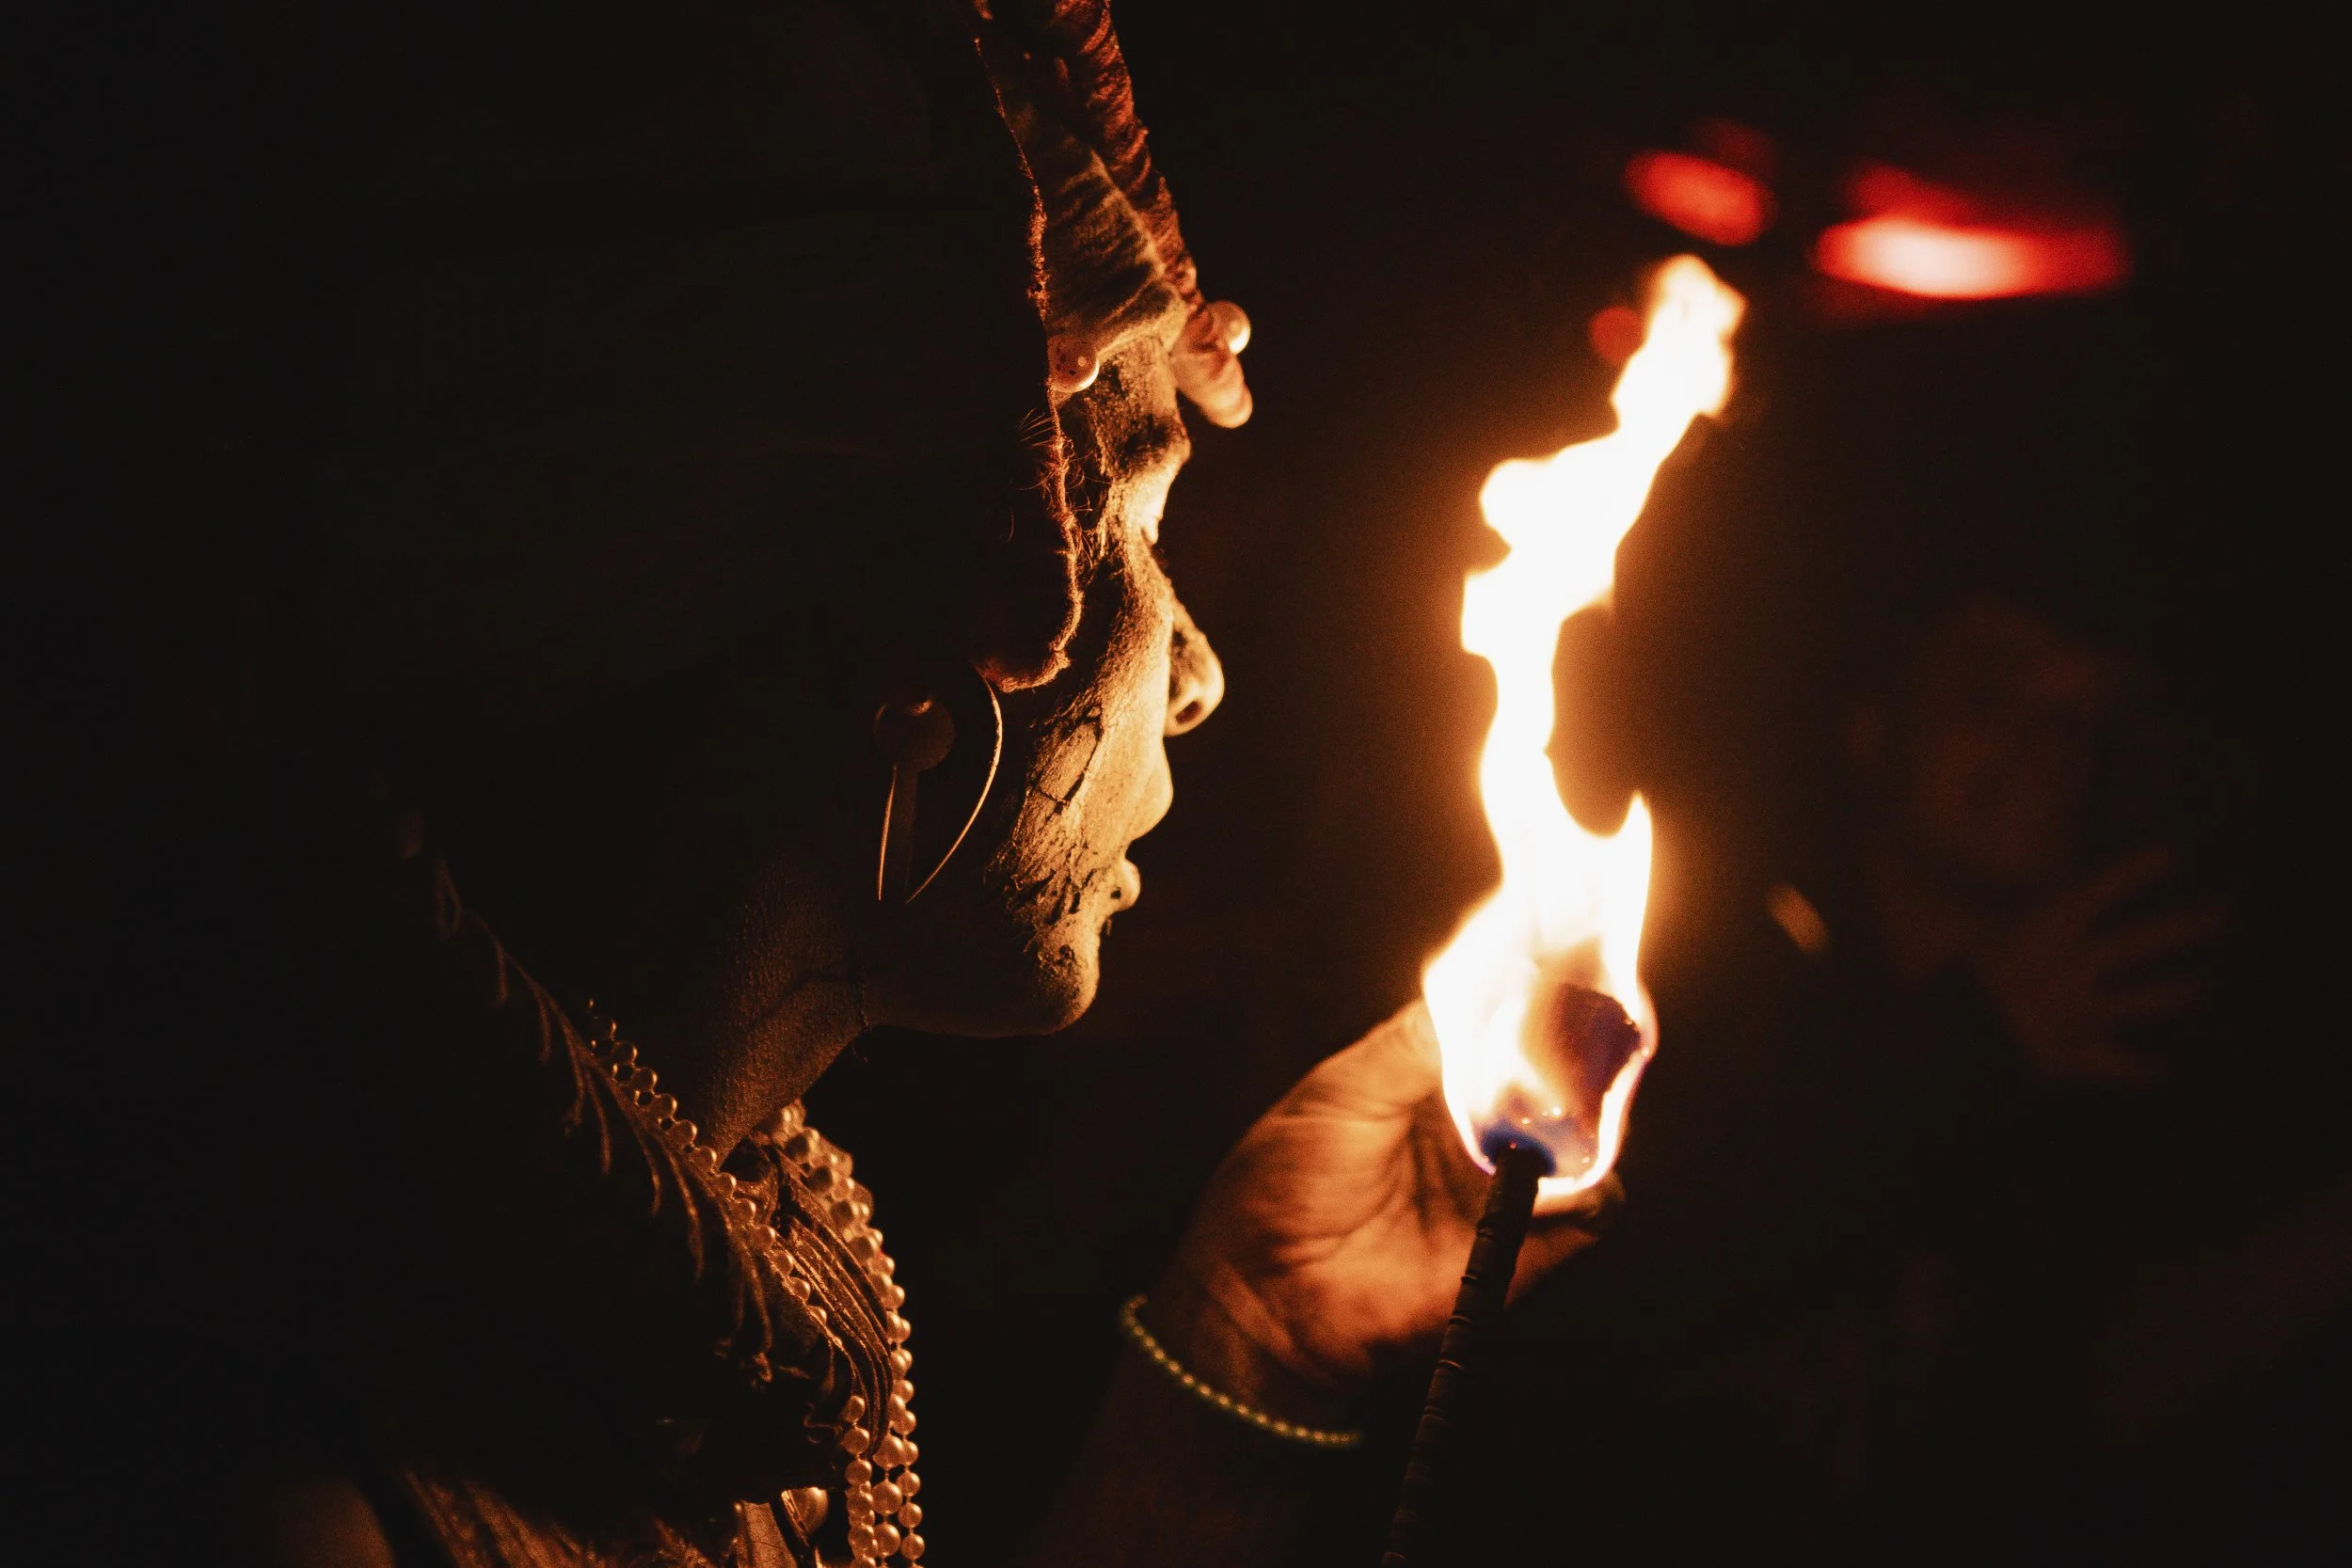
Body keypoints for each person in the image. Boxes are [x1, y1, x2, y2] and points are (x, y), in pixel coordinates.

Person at [12, 4, 1602, 1565]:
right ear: (910, 618)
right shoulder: (272, 1488)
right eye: (1141, 524)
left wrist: (1249, 1340)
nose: (1197, 674)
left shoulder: (668, 1297)